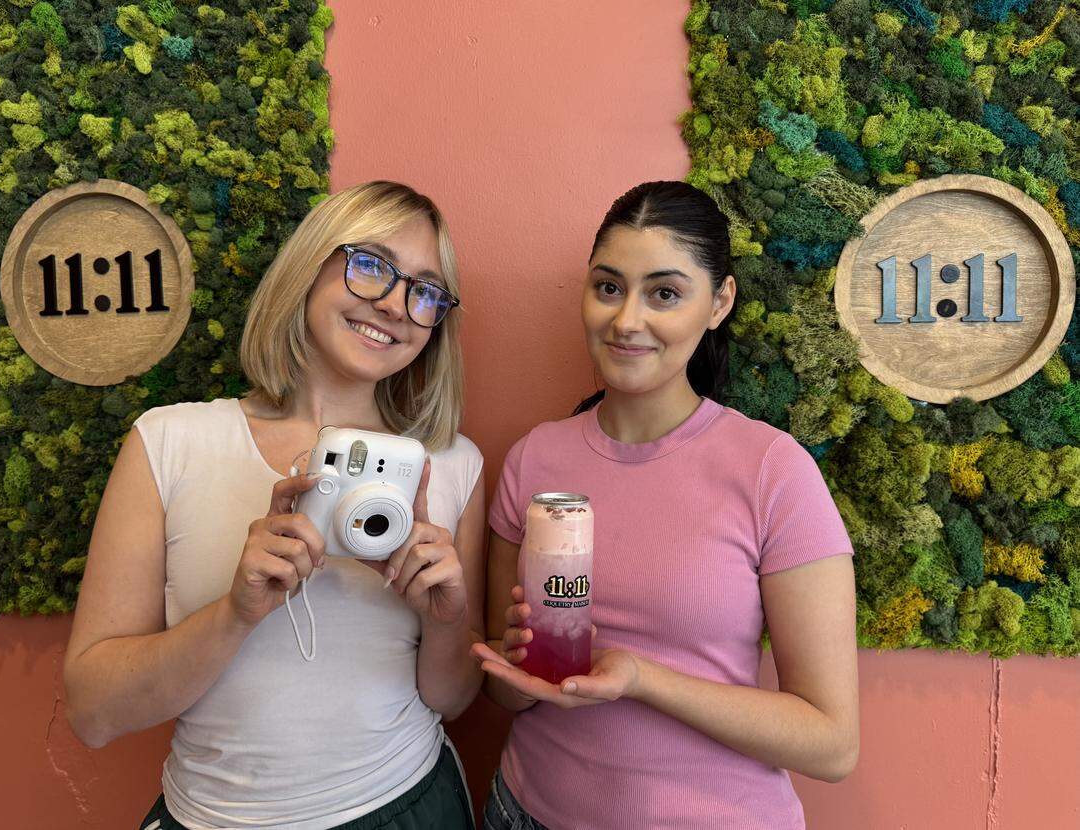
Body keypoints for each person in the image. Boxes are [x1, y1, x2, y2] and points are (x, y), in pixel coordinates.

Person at [64, 181, 485, 830]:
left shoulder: (453, 465)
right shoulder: (169, 442)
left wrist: (447, 618)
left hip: (404, 805)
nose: (397, 305)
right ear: (310, 267)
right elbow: (94, 713)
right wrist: (236, 612)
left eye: (425, 291)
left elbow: (453, 699)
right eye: (371, 265)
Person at [473, 180, 859, 829]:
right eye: (608, 287)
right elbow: (504, 691)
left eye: (664, 293)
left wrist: (642, 679)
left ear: (719, 302)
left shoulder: (772, 471)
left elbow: (832, 744)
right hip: (525, 812)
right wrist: (514, 669)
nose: (627, 321)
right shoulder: (534, 459)